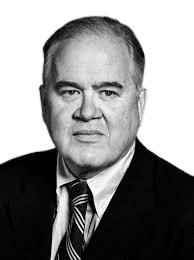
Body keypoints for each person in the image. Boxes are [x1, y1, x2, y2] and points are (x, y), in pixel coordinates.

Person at [0, 15, 194, 260]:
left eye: (108, 92)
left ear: (141, 104)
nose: (87, 112)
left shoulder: (186, 211)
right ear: (43, 103)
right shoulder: (4, 186)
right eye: (70, 91)